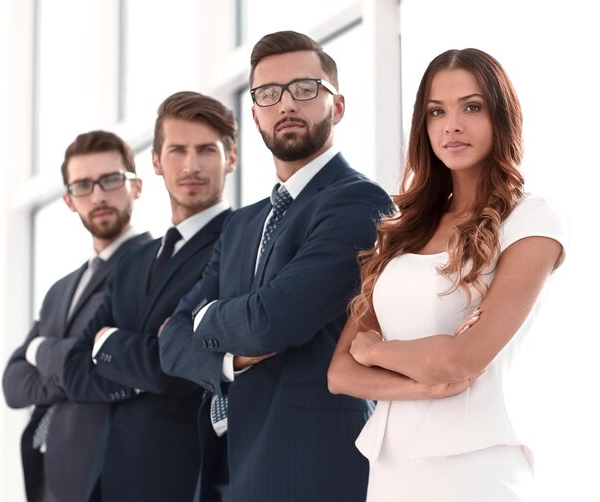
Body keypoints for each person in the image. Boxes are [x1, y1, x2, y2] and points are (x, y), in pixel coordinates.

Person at [158, 31, 392, 502]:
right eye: (268, 94)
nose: (286, 104)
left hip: (313, 466)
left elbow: (271, 321)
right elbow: (169, 341)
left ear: (338, 106)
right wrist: (228, 360)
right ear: (255, 114)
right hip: (230, 469)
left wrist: (206, 318)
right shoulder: (240, 225)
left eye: (305, 89)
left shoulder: (358, 202)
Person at [327, 48, 569, 502]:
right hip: (393, 468)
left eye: (471, 107)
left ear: (501, 117)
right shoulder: (401, 231)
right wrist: (427, 381)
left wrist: (378, 349)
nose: (451, 125)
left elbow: (461, 361)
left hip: (475, 467)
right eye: (437, 111)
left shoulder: (532, 218)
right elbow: (341, 372)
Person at [62, 91, 236, 502]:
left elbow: (181, 370)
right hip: (113, 481)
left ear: (230, 157)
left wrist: (109, 344)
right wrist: (148, 363)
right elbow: (73, 367)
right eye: (177, 150)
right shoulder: (134, 260)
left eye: (206, 150)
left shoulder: (241, 243)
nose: (191, 166)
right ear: (156, 161)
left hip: (187, 480)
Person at [2, 130, 151, 502]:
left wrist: (42, 352)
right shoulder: (60, 290)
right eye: (83, 186)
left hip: (111, 475)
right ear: (69, 200)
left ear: (136, 187)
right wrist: (74, 376)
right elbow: (13, 381)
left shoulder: (152, 268)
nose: (98, 195)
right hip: (50, 478)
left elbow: (115, 367)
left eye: (110, 180)